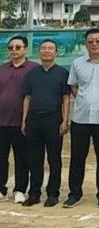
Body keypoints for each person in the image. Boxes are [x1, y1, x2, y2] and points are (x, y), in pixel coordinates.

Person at [65, 28, 99, 208]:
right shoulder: (77, 63)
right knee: (77, 158)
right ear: (86, 44)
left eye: (98, 41)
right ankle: (74, 193)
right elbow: (73, 86)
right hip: (80, 118)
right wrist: (85, 100)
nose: (94, 44)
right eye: (90, 41)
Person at [20, 39, 70, 207]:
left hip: (54, 119)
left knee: (54, 159)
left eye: (50, 48)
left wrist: (65, 120)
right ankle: (34, 193)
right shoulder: (32, 73)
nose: (47, 51)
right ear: (39, 52)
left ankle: (53, 193)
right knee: (34, 158)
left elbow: (66, 98)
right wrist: (24, 120)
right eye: (43, 48)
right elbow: (27, 97)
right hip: (34, 120)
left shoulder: (62, 73)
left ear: (56, 52)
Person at [0, 35, 38, 204]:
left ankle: (20, 189)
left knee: (22, 158)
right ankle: (1, 189)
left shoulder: (34, 69)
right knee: (1, 158)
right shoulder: (2, 69)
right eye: (11, 48)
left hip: (22, 123)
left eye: (18, 47)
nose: (14, 50)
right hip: (2, 121)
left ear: (25, 49)